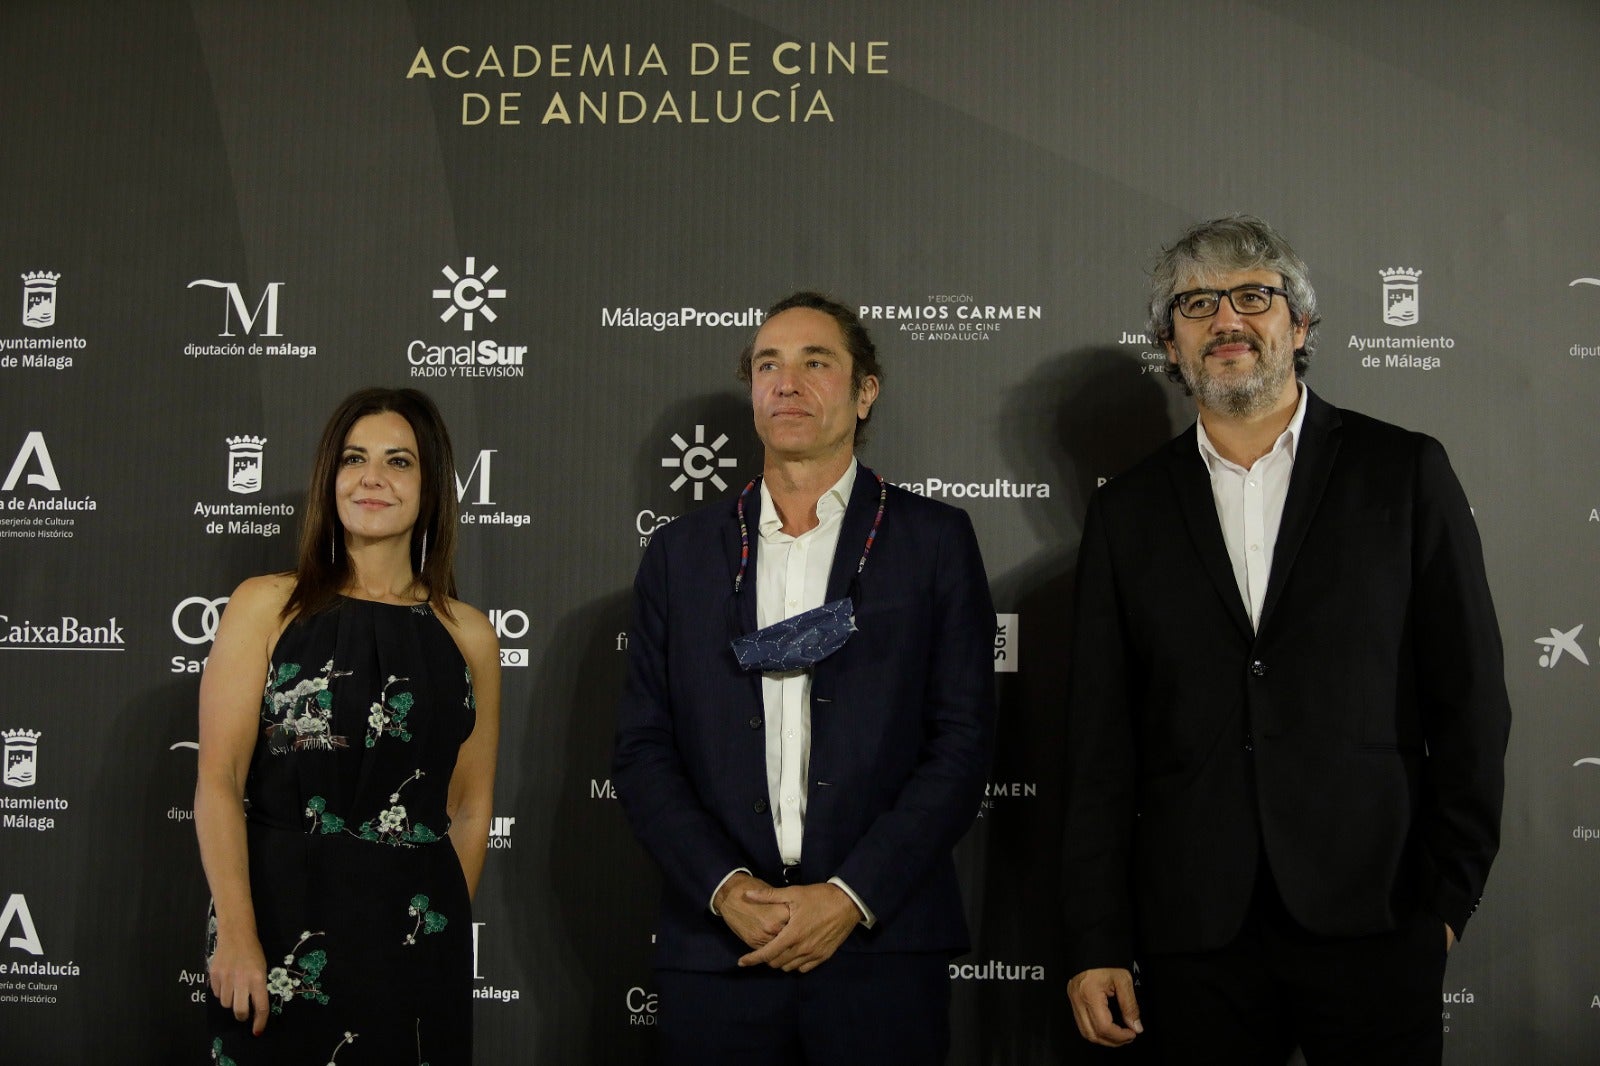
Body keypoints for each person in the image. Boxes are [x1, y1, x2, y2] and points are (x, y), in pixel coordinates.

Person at [1060, 216, 1511, 1064]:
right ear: (1170, 343)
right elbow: (1099, 745)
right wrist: (1094, 936)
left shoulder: (1404, 471)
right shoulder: (1129, 512)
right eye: (1197, 304)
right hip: (1195, 931)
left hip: (1377, 915)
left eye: (1253, 296)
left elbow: (1471, 699)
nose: (1226, 320)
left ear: (1298, 326)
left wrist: (1445, 902)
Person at [613, 291, 996, 1064]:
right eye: (768, 365)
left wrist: (849, 897)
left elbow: (961, 744)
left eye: (815, 363)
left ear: (864, 391)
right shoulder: (680, 555)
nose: (786, 383)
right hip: (720, 952)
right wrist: (724, 889)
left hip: (880, 950)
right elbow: (642, 750)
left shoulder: (934, 541)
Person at [195, 387, 501, 1065]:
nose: (372, 478)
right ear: (328, 477)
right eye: (354, 458)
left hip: (413, 946)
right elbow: (217, 780)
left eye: (398, 462)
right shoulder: (265, 606)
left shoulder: (469, 634)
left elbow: (471, 805)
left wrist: (432, 926)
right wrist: (238, 932)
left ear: (430, 487)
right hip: (277, 931)